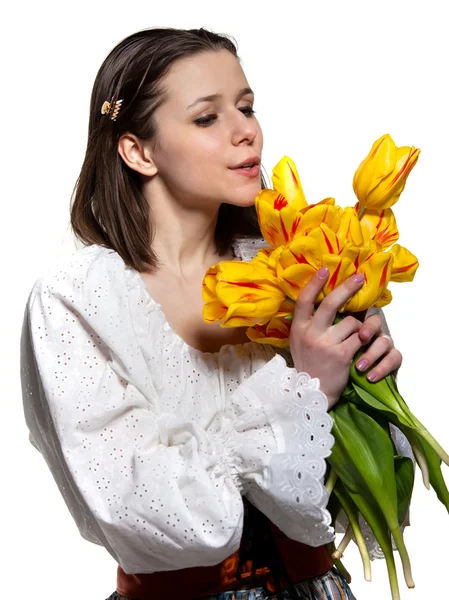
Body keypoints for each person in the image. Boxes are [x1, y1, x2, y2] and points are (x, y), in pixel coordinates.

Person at [20, 27, 403, 600]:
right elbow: (134, 507)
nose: (246, 129)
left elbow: (363, 499)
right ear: (138, 150)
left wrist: (371, 393)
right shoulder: (80, 300)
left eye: (246, 107)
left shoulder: (293, 262)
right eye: (207, 117)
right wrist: (303, 390)